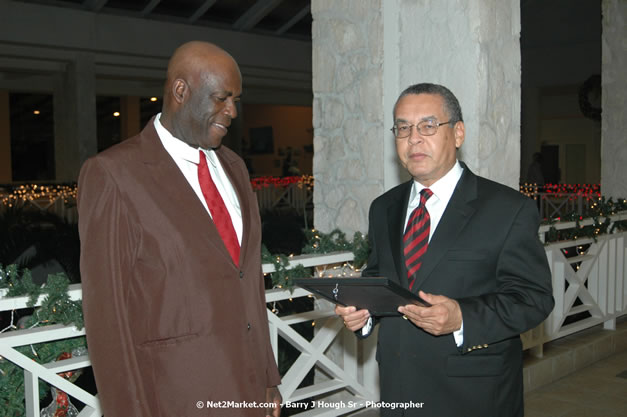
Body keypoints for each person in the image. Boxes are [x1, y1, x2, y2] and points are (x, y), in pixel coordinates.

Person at [78, 41, 281, 417]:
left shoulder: (235, 167)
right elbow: (108, 318)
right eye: (221, 98)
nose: (232, 111)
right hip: (174, 399)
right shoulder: (113, 175)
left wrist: (268, 378)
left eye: (235, 99)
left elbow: (248, 282)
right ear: (181, 91)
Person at [336, 83, 554, 416]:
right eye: (403, 128)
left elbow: (533, 298)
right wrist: (363, 312)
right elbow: (380, 278)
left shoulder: (508, 209)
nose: (413, 139)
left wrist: (462, 317)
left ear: (458, 133)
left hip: (472, 394)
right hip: (398, 391)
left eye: (427, 126)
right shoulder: (384, 208)